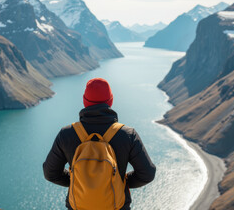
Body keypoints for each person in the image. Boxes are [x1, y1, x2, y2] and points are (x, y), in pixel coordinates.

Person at [43, 78, 156, 209]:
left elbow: (50, 173)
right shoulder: (127, 134)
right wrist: (119, 182)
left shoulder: (66, 134)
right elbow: (147, 173)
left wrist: (80, 181)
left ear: (85, 101)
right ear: (110, 101)